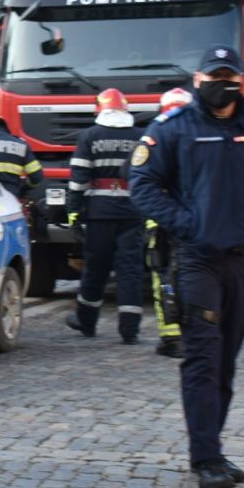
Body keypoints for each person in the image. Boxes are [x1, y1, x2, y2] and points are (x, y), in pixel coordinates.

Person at [129, 45, 244, 488]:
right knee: (203, 358)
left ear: (240, 80)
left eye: (229, 77)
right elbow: (143, 184)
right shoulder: (174, 128)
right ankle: (207, 460)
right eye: (214, 76)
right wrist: (187, 225)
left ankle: (212, 450)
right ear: (198, 79)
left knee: (225, 362)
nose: (222, 84)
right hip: (198, 259)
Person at [65, 88, 145, 344]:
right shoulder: (140, 137)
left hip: (99, 213)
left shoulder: (89, 136)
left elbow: (79, 179)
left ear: (100, 110)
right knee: (130, 269)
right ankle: (129, 329)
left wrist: (74, 212)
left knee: (96, 268)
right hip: (132, 211)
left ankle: (86, 321)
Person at [145, 88, 194, 359]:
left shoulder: (155, 139)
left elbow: (132, 172)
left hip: (163, 226)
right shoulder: (206, 140)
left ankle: (172, 339)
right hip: (198, 226)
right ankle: (198, 334)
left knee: (164, 278)